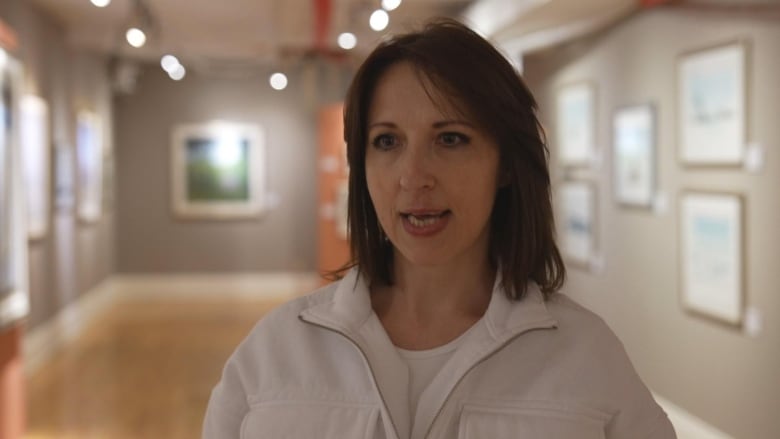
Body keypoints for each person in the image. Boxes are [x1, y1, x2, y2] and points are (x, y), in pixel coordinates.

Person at [203, 18, 676, 439]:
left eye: (450, 139)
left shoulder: (586, 357)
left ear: (507, 163)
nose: (413, 176)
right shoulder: (275, 352)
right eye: (387, 141)